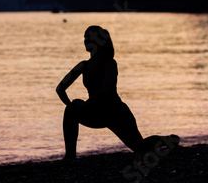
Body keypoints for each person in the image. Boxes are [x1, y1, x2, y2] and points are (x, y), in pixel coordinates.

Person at [56, 25, 180, 160]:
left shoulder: (109, 63)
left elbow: (106, 89)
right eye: (84, 37)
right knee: (71, 108)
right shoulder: (83, 65)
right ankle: (70, 156)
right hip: (96, 113)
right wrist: (72, 106)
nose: (85, 40)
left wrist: (85, 105)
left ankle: (168, 140)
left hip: (116, 113)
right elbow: (60, 89)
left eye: (89, 37)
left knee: (139, 147)